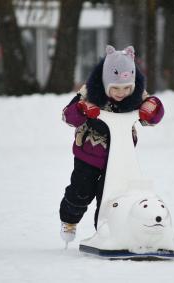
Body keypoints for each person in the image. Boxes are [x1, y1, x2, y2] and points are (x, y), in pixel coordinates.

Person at [59, 45, 165, 243]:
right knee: (81, 192)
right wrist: (82, 109)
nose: (121, 93)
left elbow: (152, 114)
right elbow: (67, 115)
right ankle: (69, 220)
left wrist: (153, 109)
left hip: (119, 157)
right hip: (88, 154)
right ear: (106, 83)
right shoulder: (89, 92)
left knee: (110, 198)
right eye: (115, 88)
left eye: (126, 88)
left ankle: (106, 232)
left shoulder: (137, 95)